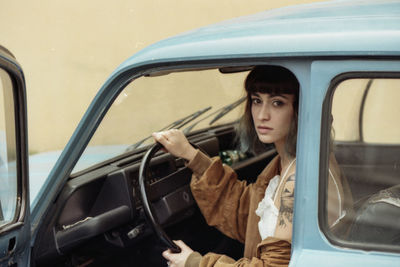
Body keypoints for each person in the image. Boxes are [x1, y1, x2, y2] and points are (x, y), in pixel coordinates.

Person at [152, 65, 348, 267]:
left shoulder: (297, 180)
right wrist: (190, 155)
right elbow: (248, 213)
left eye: (277, 103)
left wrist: (195, 263)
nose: (262, 115)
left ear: (300, 110)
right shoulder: (296, 160)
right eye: (256, 100)